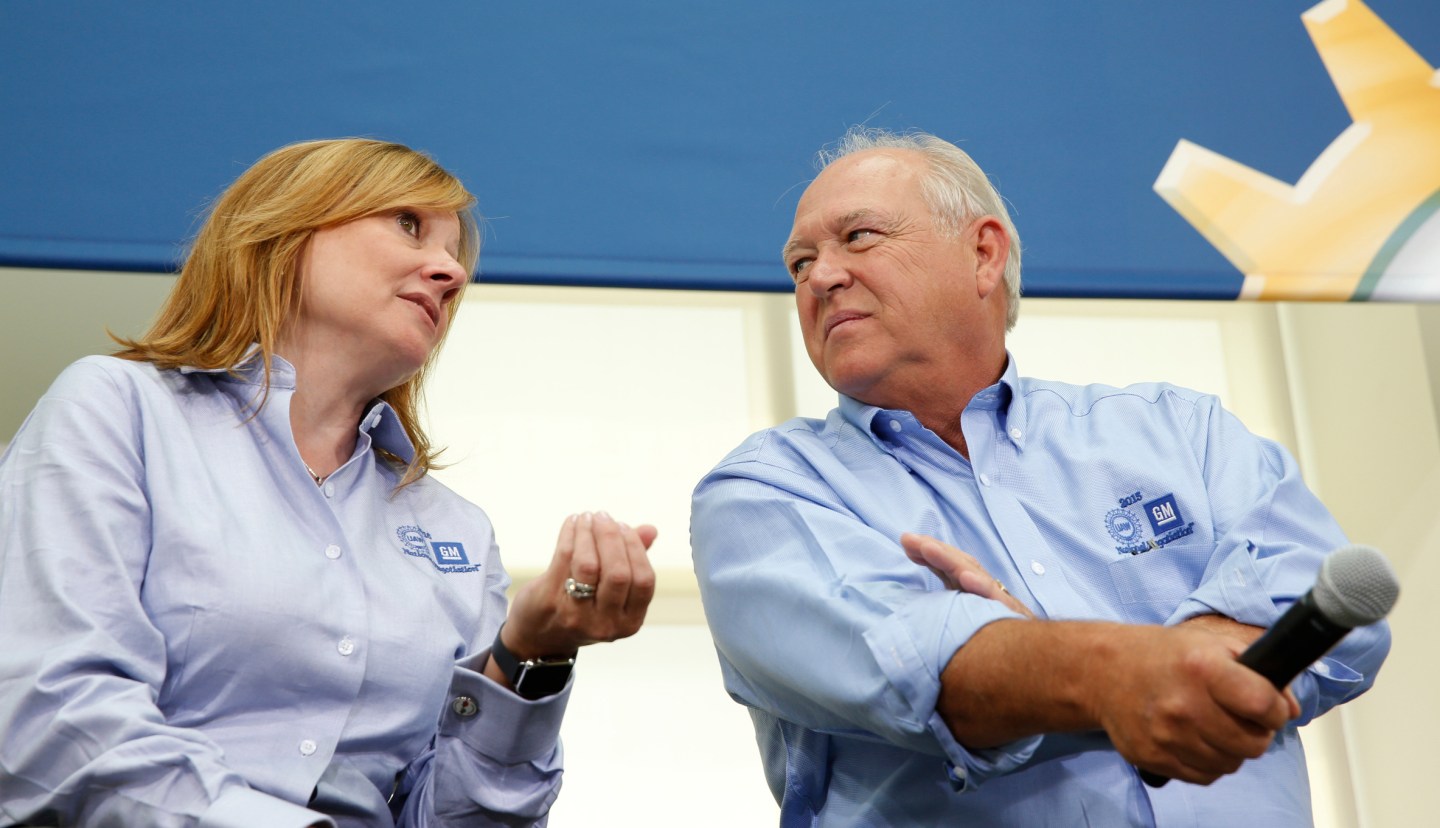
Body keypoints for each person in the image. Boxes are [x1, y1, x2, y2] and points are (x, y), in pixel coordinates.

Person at [689, 128, 1390, 826]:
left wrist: (1083, 661)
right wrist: (1124, 672)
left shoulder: (1180, 430)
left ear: (983, 254)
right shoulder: (765, 494)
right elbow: (916, 668)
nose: (820, 278)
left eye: (859, 237)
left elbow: (1330, 604)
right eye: (800, 263)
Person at [0, 138, 656, 828]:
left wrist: (530, 657)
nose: (451, 273)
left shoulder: (457, 530)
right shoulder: (117, 410)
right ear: (285, 231)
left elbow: (462, 817)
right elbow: (50, 717)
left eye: (456, 256)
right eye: (409, 224)